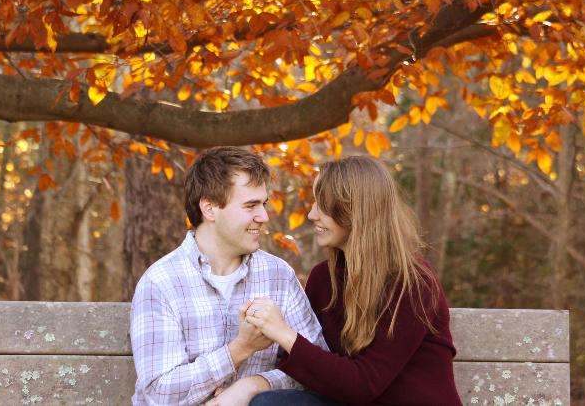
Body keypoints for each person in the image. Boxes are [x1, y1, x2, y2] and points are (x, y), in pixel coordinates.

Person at [244, 155, 463, 406]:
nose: (312, 214)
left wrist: (284, 333)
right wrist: (248, 383)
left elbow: (363, 384)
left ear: (354, 210)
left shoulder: (411, 282)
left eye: (322, 204)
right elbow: (307, 363)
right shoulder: (323, 279)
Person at [130, 146, 326, 406]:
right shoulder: (162, 282)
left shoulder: (277, 275)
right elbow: (158, 394)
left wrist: (254, 386)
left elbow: (317, 367)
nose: (264, 216)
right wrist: (240, 349)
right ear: (209, 208)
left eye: (263, 203)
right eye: (250, 205)